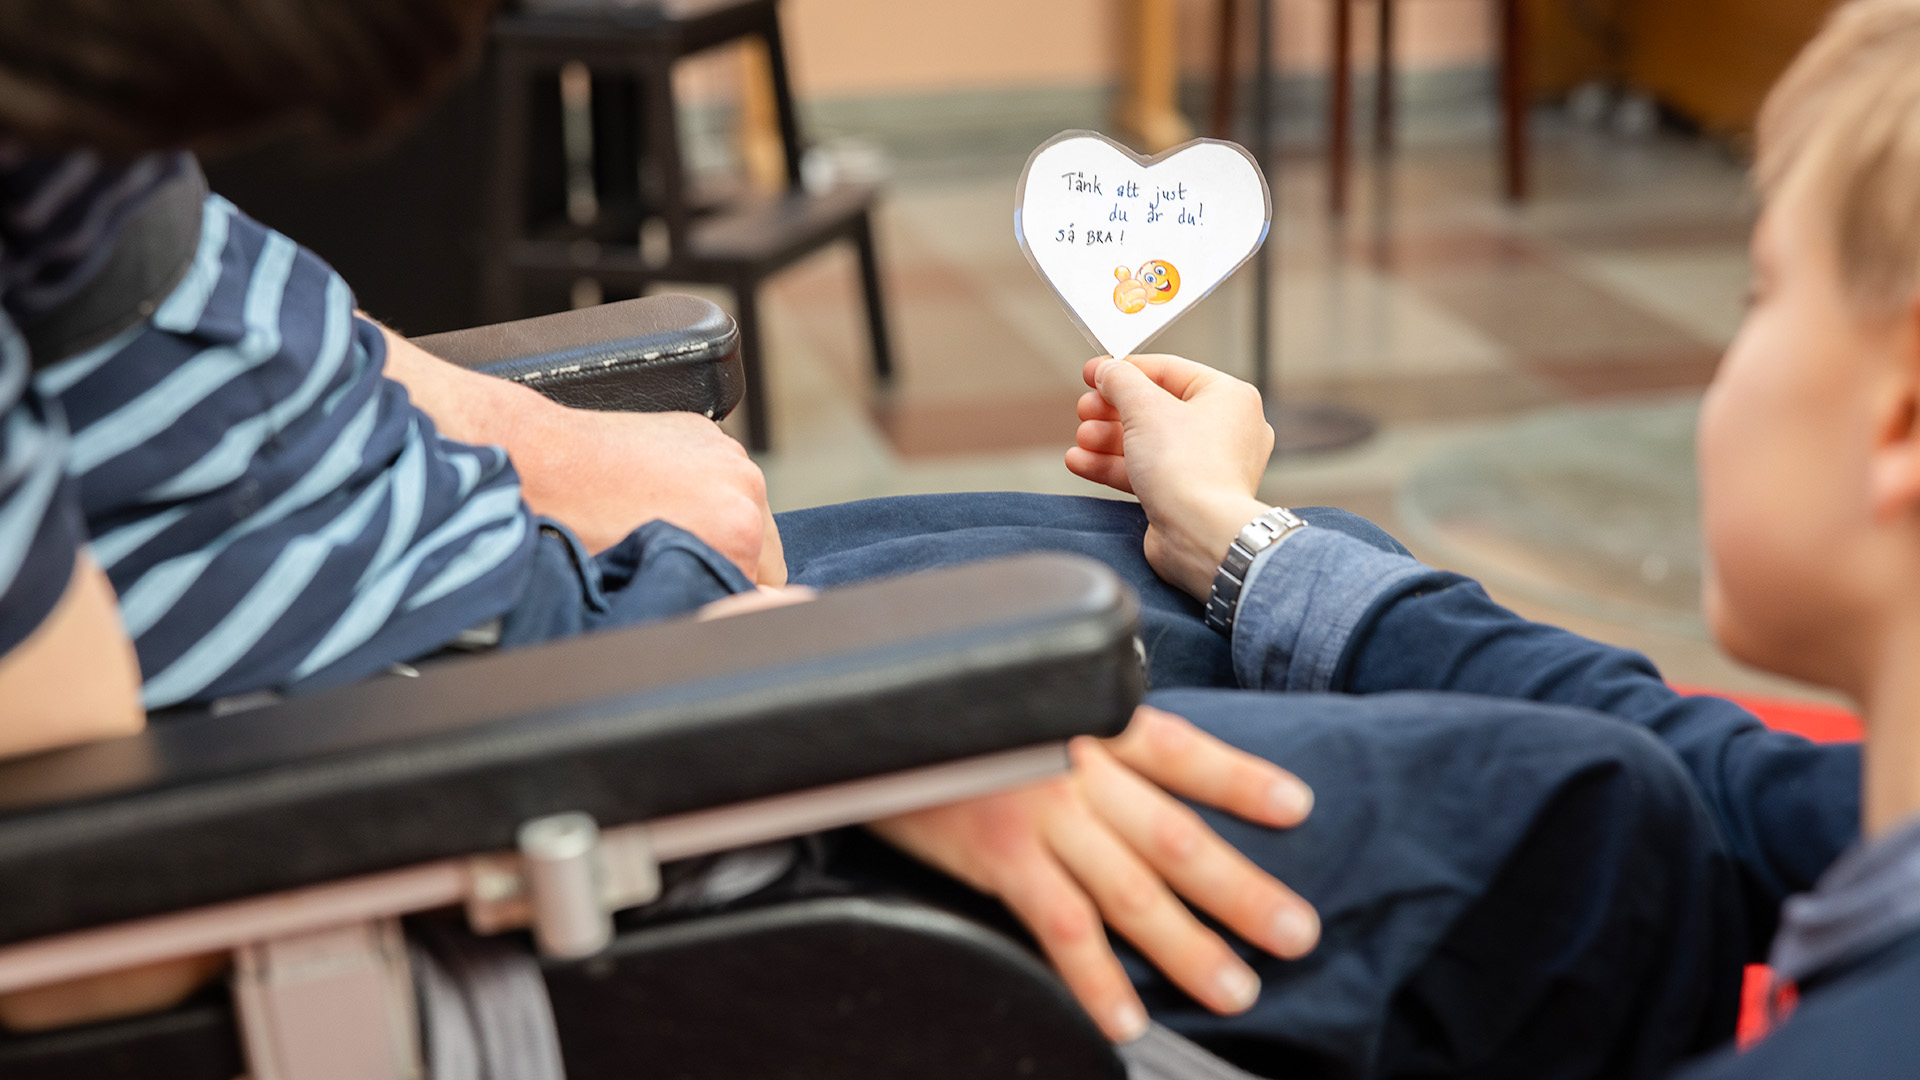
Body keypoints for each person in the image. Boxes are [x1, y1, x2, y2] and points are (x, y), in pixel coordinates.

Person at [0, 1, 1862, 1076]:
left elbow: (198, 298)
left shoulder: (51, 98)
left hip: (575, 635)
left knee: (1169, 583)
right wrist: (806, 730)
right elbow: (84, 899)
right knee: (1588, 842)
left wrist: (531, 435)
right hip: (532, 814)